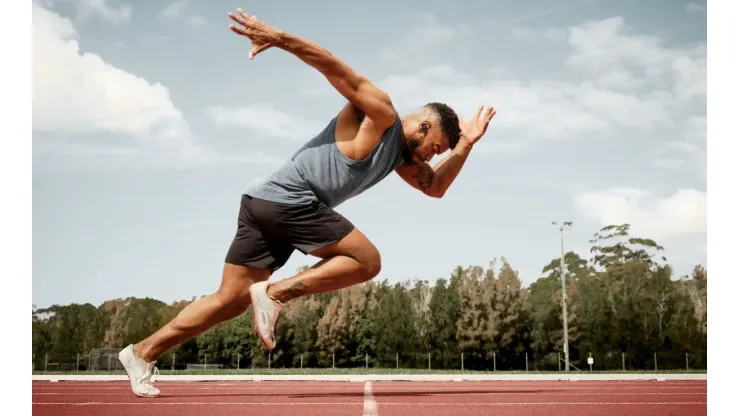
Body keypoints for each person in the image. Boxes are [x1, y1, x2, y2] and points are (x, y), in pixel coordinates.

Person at [117, 7, 496, 398]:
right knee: (367, 261)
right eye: (435, 148)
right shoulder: (380, 113)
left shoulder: (401, 157)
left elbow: (434, 187)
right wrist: (278, 38)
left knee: (228, 301)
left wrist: (465, 145)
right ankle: (276, 293)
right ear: (423, 126)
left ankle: (142, 353)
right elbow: (332, 65)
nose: (430, 159)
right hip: (289, 199)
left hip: (260, 200)